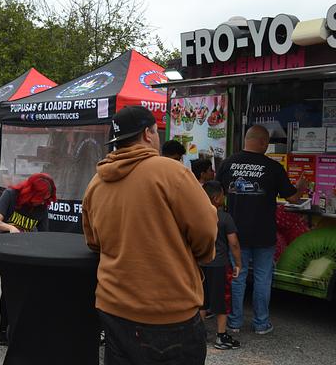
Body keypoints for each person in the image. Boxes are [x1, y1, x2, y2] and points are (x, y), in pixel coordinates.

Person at [82, 106, 217, 364]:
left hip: (113, 308)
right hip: (168, 312)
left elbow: (93, 241)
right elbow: (207, 231)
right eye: (156, 131)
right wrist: (199, 256)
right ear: (147, 133)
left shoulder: (96, 182)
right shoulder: (172, 172)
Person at [216, 125, 307, 335]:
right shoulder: (273, 167)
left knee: (238, 276)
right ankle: (261, 323)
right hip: (264, 234)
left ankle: (234, 322)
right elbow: (293, 198)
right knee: (263, 279)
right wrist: (301, 186)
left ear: (246, 139)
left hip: (235, 233)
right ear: (264, 142)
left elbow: (216, 194)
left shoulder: (228, 163)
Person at [0, 173, 56, 353]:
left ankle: (3, 332)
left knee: (9, 290)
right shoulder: (11, 195)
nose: (44, 201)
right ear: (32, 192)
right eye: (41, 197)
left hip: (11, 252)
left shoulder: (42, 208)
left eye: (47, 198)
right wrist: (11, 227)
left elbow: (44, 237)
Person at [199, 181, 242, 350]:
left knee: (202, 300)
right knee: (222, 301)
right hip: (219, 265)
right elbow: (234, 243)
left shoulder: (196, 215)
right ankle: (221, 336)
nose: (224, 197)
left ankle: (199, 334)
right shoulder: (224, 217)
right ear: (217, 198)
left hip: (200, 263)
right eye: (223, 194)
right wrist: (238, 263)